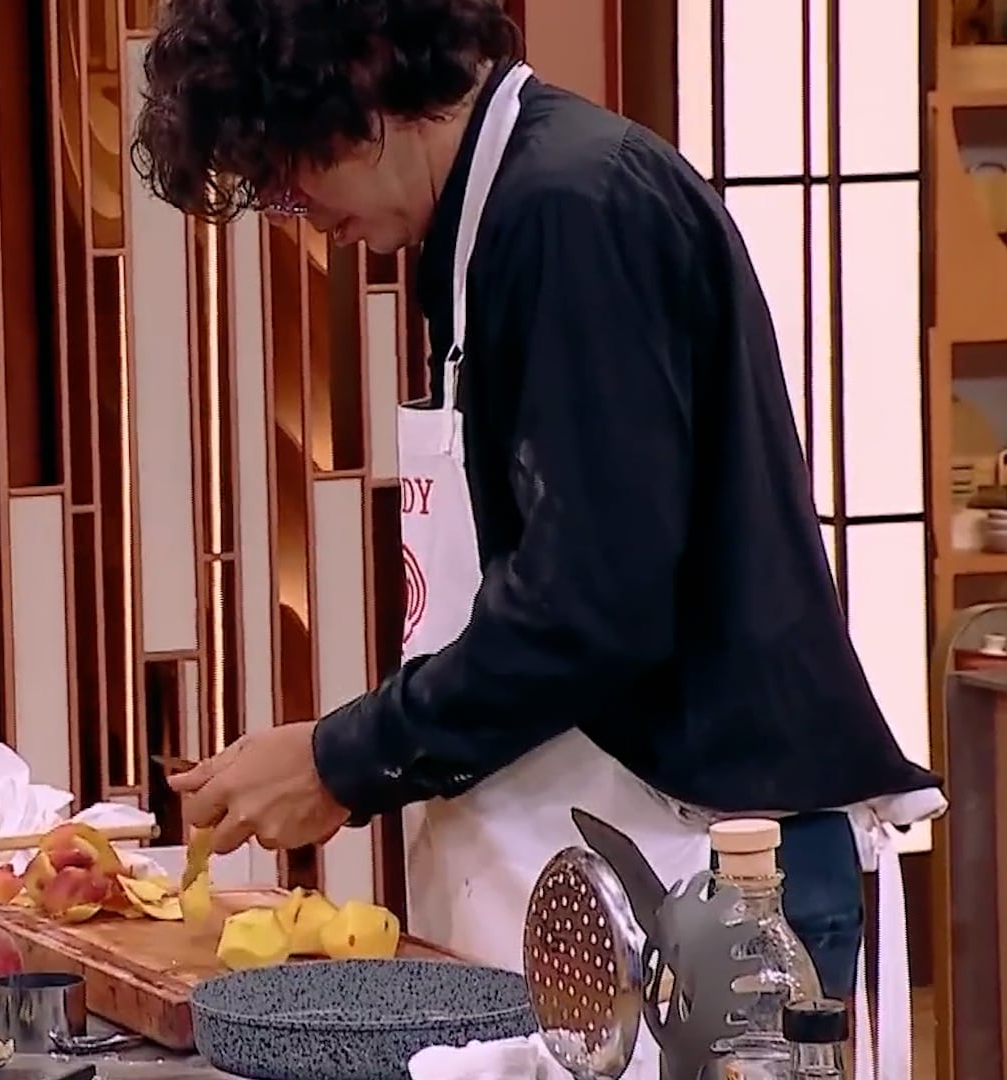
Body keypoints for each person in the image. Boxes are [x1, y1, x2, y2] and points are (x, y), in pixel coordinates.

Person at [132, 2, 943, 1075]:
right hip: (615, 859)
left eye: (286, 171)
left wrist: (341, 757)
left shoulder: (572, 211)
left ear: (364, 81)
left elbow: (591, 605)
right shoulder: (491, 218)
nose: (293, 211)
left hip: (715, 879)